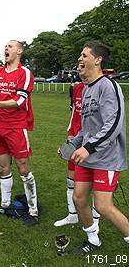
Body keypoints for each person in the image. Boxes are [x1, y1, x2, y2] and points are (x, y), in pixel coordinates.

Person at [68, 41, 129, 254]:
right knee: (79, 198)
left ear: (97, 59)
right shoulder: (86, 90)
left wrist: (88, 148)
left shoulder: (108, 86)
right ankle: (93, 240)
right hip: (89, 156)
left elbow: (113, 124)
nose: (80, 59)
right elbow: (87, 129)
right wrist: (73, 144)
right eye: (80, 56)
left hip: (107, 157)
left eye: (84, 55)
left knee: (103, 206)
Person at [0, 40, 39, 226]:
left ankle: (33, 210)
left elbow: (20, 101)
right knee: (4, 168)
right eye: (5, 46)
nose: (6, 49)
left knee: (23, 168)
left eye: (10, 46)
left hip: (16, 127)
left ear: (19, 51)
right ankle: (5, 205)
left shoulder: (25, 73)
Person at [54, 82, 100, 227]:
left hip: (96, 141)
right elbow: (74, 114)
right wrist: (70, 134)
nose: (80, 67)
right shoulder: (77, 88)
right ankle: (72, 215)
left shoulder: (104, 87)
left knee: (97, 182)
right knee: (71, 179)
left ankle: (95, 220)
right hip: (77, 138)